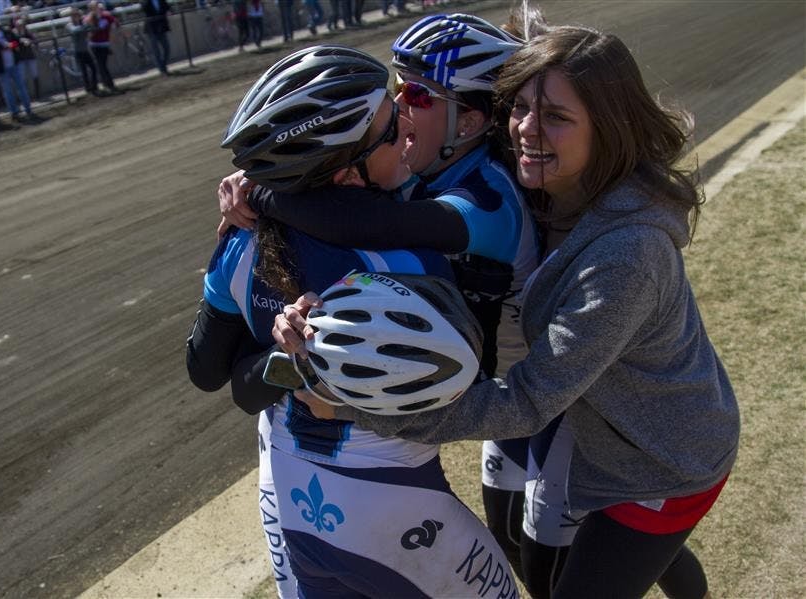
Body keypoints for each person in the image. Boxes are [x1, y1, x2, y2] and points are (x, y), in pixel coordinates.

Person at [274, 24, 740, 599]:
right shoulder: (548, 184)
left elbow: (525, 402)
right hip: (604, 421)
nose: (525, 129)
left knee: (609, 563)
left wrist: (364, 412)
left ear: (609, 128)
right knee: (560, 548)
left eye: (556, 117)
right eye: (519, 107)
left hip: (665, 461)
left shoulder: (627, 256)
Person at [217, 12, 547, 588]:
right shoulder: (432, 164)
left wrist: (263, 188)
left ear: (469, 118)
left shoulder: (488, 194)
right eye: (397, 82)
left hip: (533, 400)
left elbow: (361, 223)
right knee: (514, 545)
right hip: (484, 396)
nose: (398, 101)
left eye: (417, 92)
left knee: (561, 565)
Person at [0, 18, 35, 122]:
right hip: (2, 67)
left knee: (21, 87)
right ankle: (14, 112)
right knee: (8, 91)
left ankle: (28, 109)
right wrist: (3, 46)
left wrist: (13, 44)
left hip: (14, 63)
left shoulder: (7, 31)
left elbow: (16, 40)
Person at [85, 0, 119, 93]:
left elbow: (114, 22)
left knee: (102, 64)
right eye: (93, 7)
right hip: (94, 44)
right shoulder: (89, 18)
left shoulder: (106, 15)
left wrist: (113, 34)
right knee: (101, 65)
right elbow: (87, 31)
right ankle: (108, 84)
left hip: (104, 43)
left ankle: (108, 84)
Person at [65, 6, 98, 95]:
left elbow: (94, 29)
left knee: (94, 68)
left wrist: (90, 24)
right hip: (78, 51)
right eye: (74, 15)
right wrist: (86, 25)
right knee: (84, 71)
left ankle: (94, 86)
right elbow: (75, 30)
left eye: (78, 15)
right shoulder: (69, 25)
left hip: (85, 50)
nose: (77, 17)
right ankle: (88, 88)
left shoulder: (82, 24)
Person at [140, 0, 170, 75]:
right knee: (156, 51)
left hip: (162, 27)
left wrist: (169, 11)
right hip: (151, 29)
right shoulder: (146, 2)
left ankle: (163, 64)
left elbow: (168, 8)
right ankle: (162, 69)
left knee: (167, 48)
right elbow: (143, 8)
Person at [12, 19, 39, 99]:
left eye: (22, 25)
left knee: (35, 74)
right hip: (21, 58)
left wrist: (30, 41)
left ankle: (37, 93)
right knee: (23, 77)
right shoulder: (14, 33)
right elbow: (13, 44)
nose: (21, 27)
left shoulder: (27, 32)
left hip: (30, 56)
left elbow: (35, 40)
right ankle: (25, 95)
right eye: (19, 25)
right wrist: (20, 41)